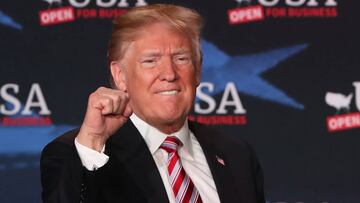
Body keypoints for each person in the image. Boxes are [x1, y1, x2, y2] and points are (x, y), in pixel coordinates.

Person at [40, 4, 265, 203]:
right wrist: (93, 142)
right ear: (120, 75)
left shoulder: (237, 155)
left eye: (181, 58)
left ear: (197, 71)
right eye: (151, 61)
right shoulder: (78, 155)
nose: (169, 73)